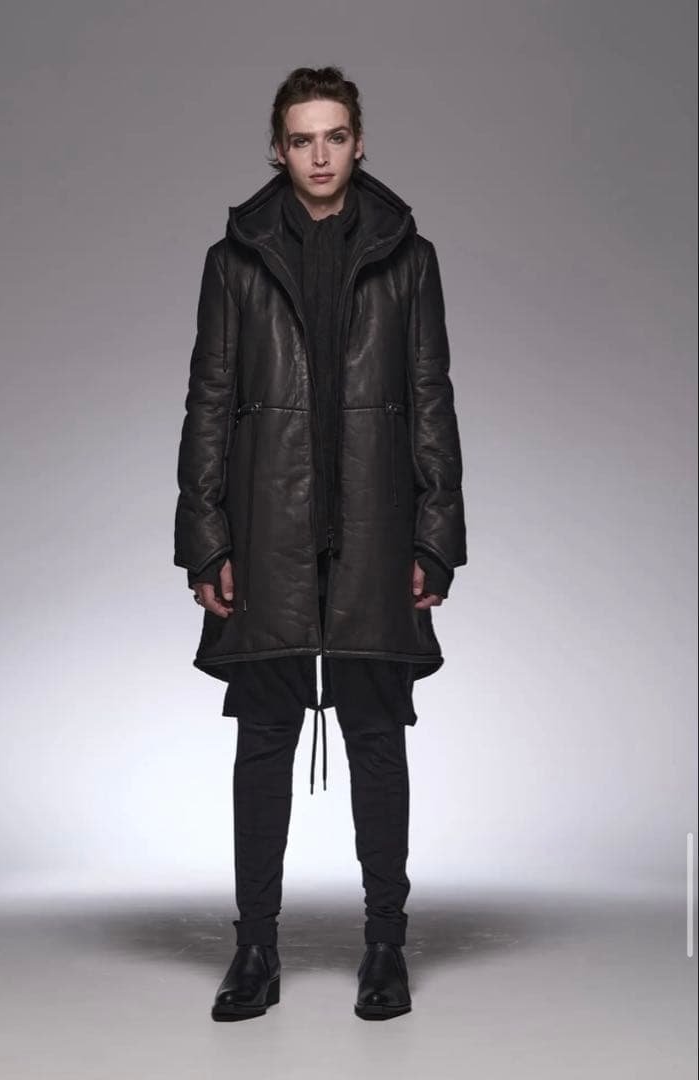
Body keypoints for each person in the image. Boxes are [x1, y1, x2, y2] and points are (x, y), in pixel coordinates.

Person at [173, 66, 467, 1021]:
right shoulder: (235, 260)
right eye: (301, 139)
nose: (320, 155)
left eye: (335, 136)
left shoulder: (408, 256)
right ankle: (254, 950)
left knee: (376, 738)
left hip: (377, 527)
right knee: (264, 742)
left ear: (358, 141)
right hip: (267, 527)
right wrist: (204, 539)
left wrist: (436, 534)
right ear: (278, 149)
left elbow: (430, 397)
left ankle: (385, 946)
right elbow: (208, 401)